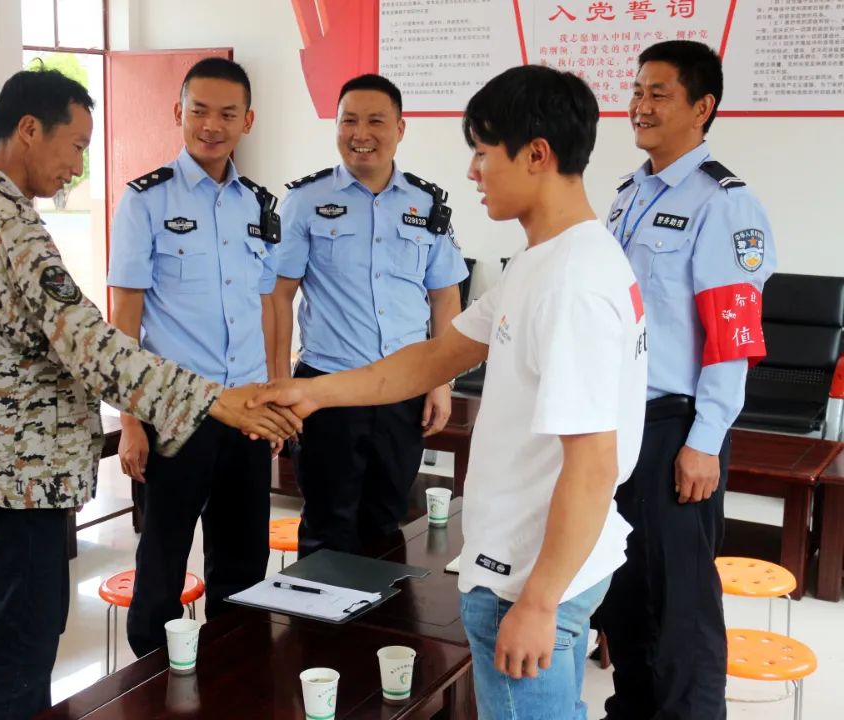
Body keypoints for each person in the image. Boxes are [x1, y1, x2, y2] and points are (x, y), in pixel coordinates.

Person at [253, 65, 648, 720]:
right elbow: (436, 355)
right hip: (527, 561)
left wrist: (538, 602)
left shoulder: (572, 284)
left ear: (537, 154)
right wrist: (314, 394)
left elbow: (593, 463)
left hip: (530, 576)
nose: (472, 171)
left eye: (483, 152)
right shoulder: (544, 262)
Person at [0, 68, 299, 720]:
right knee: (25, 640)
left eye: (228, 113)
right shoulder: (14, 225)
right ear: (30, 130)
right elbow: (94, 342)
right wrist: (197, 404)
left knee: (25, 632)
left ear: (247, 120)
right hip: (27, 468)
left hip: (17, 464)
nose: (79, 165)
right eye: (76, 145)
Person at [596, 40, 777, 720]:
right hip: (619, 422)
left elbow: (733, 337)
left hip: (677, 428)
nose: (640, 106)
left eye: (659, 94)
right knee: (625, 589)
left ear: (702, 107)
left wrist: (705, 441)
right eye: (637, 91)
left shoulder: (724, 203)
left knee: (681, 605)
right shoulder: (628, 196)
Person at [107, 57, 283, 658]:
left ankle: (236, 669)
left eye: (227, 114)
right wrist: (131, 421)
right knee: (163, 558)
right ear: (177, 112)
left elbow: (268, 309)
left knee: (244, 560)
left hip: (249, 409)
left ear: (247, 121)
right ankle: (151, 679)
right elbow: (124, 318)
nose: (212, 125)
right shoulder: (145, 201)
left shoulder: (259, 204)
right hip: (175, 413)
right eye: (199, 111)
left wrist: (277, 396)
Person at [272, 73, 468, 557]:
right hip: (328, 391)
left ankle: (381, 610)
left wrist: (440, 381)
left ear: (400, 128)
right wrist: (279, 383)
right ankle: (321, 610)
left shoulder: (428, 204)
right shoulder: (306, 202)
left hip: (404, 390)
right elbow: (277, 296)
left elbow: (445, 296)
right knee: (327, 526)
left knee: (387, 520)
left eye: (376, 121)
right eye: (349, 121)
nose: (361, 134)